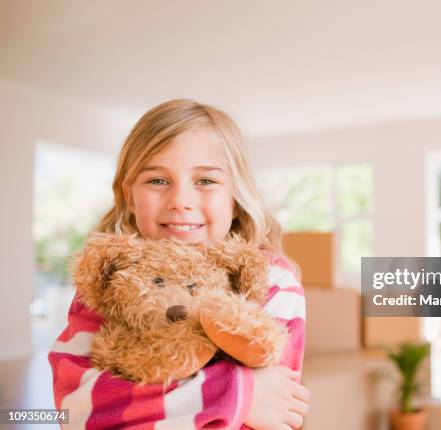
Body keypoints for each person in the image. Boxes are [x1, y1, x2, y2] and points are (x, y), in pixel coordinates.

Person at [48, 99, 309, 430]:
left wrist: (147, 400)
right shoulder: (109, 281)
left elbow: (275, 408)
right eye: (157, 180)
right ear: (130, 196)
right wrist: (237, 395)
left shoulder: (270, 278)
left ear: (235, 193)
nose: (180, 201)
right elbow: (76, 410)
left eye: (205, 181)